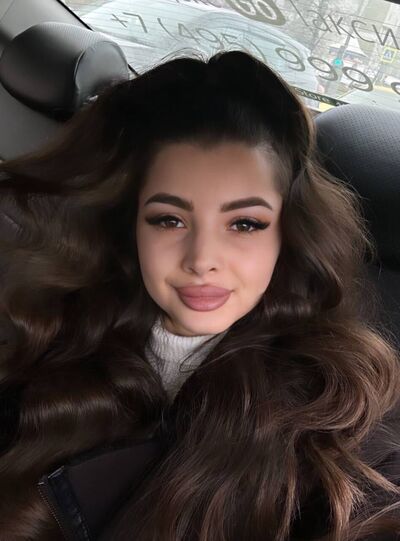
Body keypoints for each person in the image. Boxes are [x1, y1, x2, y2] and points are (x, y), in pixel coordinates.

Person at [0, 49, 399, 541]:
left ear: (289, 233)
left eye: (245, 223)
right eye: (169, 219)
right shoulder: (52, 338)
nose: (202, 258)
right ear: (131, 225)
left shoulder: (346, 408)